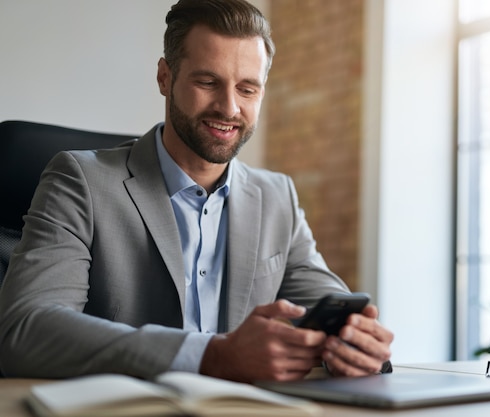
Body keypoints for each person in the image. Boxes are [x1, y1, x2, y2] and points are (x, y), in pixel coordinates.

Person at [0, 0, 393, 382]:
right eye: (208, 82)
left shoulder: (277, 197)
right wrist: (211, 355)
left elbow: (329, 308)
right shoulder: (80, 181)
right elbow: (25, 331)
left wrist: (358, 345)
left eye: (248, 89)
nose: (229, 107)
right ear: (164, 77)